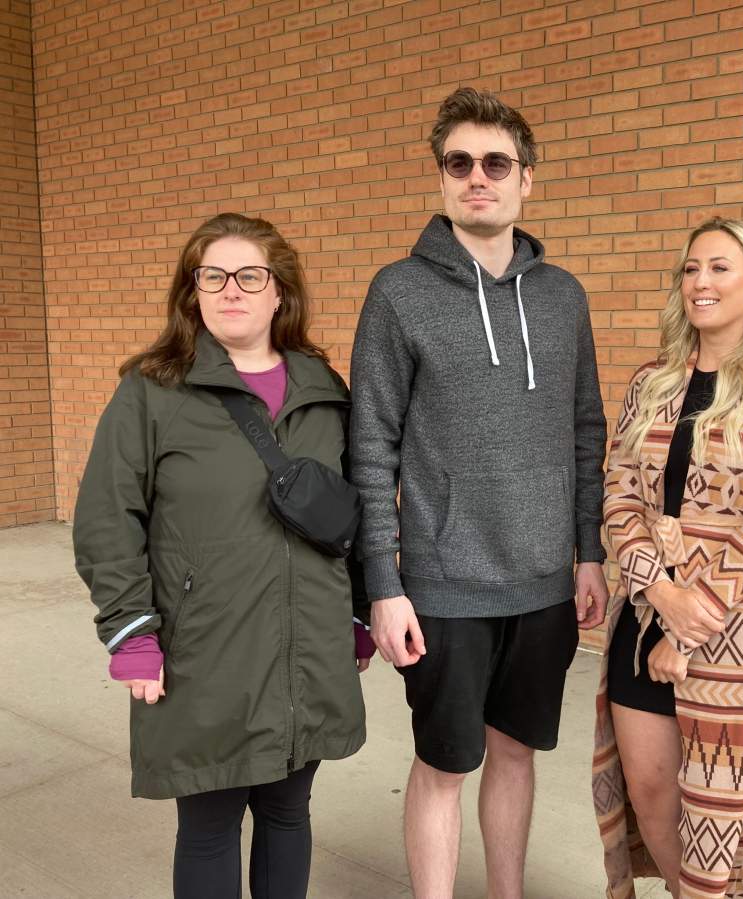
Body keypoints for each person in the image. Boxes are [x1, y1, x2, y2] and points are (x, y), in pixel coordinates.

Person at [349, 86, 608, 899]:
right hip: (443, 583)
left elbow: (585, 431)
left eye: (496, 162)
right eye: (458, 163)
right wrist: (384, 587)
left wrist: (589, 552)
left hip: (542, 583)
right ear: (442, 178)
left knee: (517, 752)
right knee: (443, 763)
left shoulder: (563, 297)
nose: (477, 177)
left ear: (527, 178)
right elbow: (370, 449)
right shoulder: (399, 292)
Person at [73, 212, 373, 898]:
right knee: (209, 822)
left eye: (249, 275)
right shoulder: (150, 392)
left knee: (288, 810)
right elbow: (105, 517)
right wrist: (131, 633)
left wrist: (354, 612)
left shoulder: (324, 393)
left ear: (279, 293)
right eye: (212, 275)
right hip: (204, 648)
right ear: (192, 292)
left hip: (306, 645)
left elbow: (357, 513)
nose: (230, 289)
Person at [592, 217, 743, 899]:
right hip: (645, 611)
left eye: (721, 268)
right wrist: (661, 597)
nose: (702, 282)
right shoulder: (652, 382)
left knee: (718, 814)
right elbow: (619, 496)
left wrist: (693, 621)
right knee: (650, 790)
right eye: (692, 269)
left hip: (741, 633)